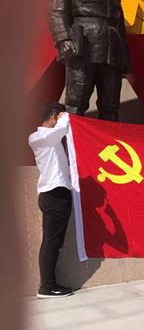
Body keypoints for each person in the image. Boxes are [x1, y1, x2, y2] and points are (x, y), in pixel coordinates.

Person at [47, 0, 130, 120]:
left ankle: (107, 138)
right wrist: (63, 39)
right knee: (76, 102)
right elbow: (56, 11)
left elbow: (120, 26)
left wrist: (125, 58)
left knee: (111, 105)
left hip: (112, 51)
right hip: (83, 47)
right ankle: (72, 138)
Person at [28, 103, 74, 298]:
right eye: (59, 115)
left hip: (57, 194)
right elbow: (61, 129)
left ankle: (49, 285)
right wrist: (66, 117)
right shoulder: (38, 137)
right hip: (53, 195)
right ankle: (47, 287)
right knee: (52, 242)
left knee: (54, 242)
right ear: (54, 115)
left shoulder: (51, 138)